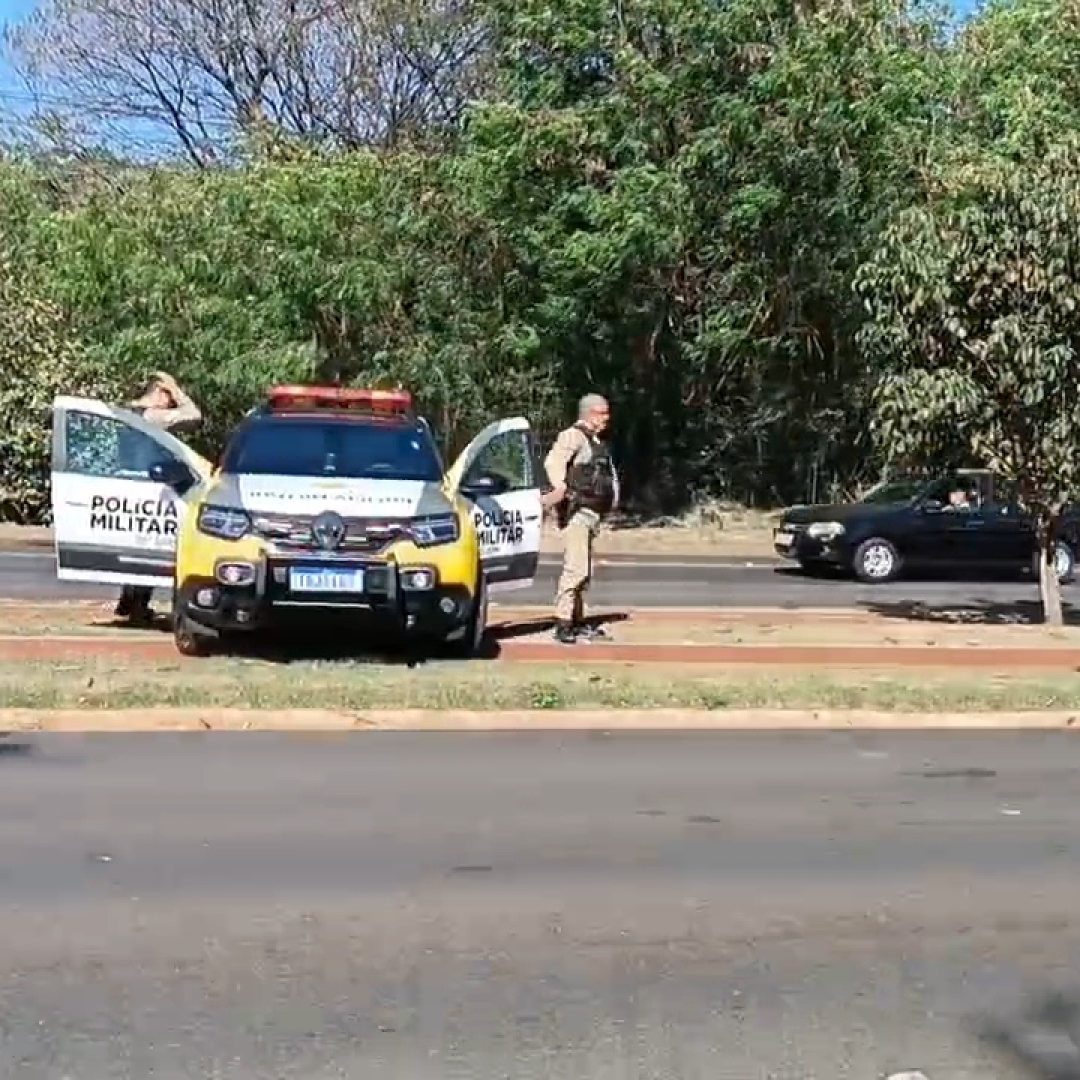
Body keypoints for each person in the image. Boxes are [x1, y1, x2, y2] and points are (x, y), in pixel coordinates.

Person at [112, 371, 202, 624]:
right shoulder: (152, 416)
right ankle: (136, 605)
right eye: (168, 396)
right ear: (159, 392)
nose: (172, 402)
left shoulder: (127, 413)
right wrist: (176, 388)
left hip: (130, 484)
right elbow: (194, 416)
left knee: (140, 546)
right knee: (154, 546)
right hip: (150, 488)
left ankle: (131, 603)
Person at [542, 393, 620, 644]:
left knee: (584, 572)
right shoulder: (573, 436)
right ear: (588, 413)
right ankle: (563, 622)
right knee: (576, 569)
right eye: (602, 412)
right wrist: (560, 488)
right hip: (577, 513)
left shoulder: (596, 441)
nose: (607, 417)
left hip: (592, 514)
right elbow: (553, 462)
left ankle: (577, 621)